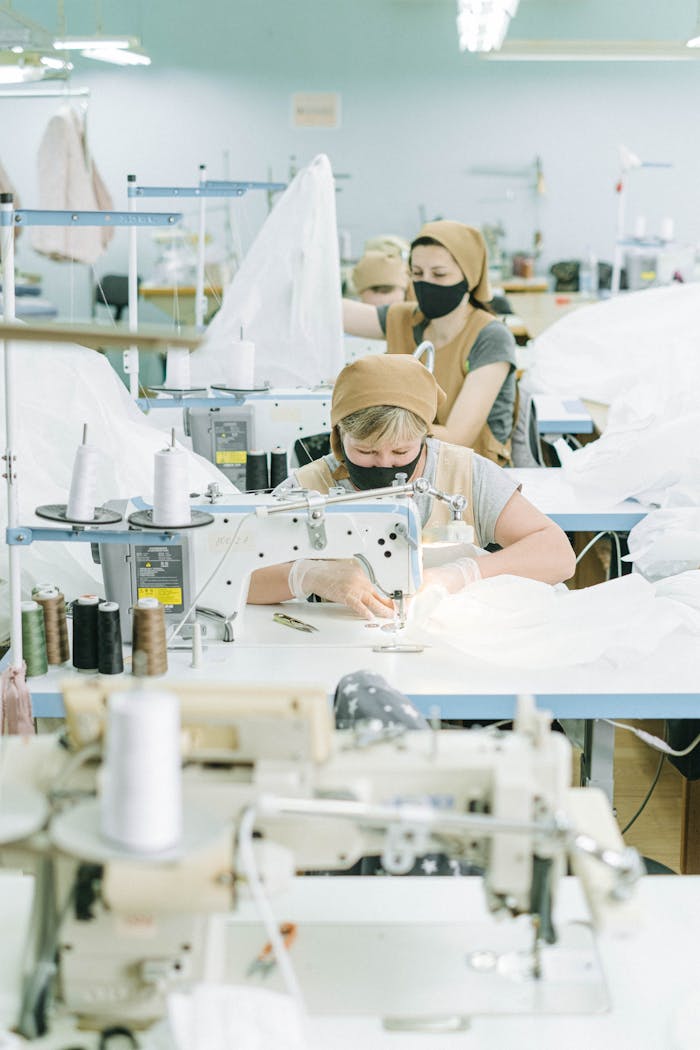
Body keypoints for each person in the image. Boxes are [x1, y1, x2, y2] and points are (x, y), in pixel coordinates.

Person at [247, 355, 575, 615]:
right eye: (366, 451)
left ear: (425, 436)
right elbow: (234, 576)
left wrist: (462, 574)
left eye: (402, 451)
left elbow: (558, 554)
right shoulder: (309, 486)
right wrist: (307, 576)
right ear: (338, 437)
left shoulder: (464, 473)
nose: (386, 463)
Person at [343, 221, 518, 465]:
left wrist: (374, 429)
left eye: (439, 274)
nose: (426, 283)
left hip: (472, 471)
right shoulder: (404, 319)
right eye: (417, 273)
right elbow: (335, 313)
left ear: (470, 276)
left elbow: (458, 437)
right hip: (410, 465)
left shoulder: (490, 337)